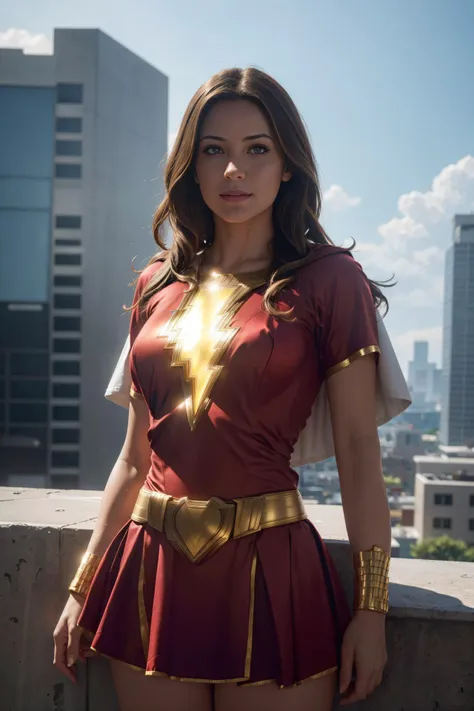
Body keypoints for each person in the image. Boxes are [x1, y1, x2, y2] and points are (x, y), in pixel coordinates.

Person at [53, 67, 411, 711]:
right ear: (191, 163)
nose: (232, 172)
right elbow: (136, 458)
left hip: (272, 572)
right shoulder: (155, 284)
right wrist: (83, 584)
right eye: (213, 150)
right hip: (150, 572)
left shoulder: (330, 281)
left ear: (289, 165)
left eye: (257, 149)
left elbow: (360, 449)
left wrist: (372, 609)